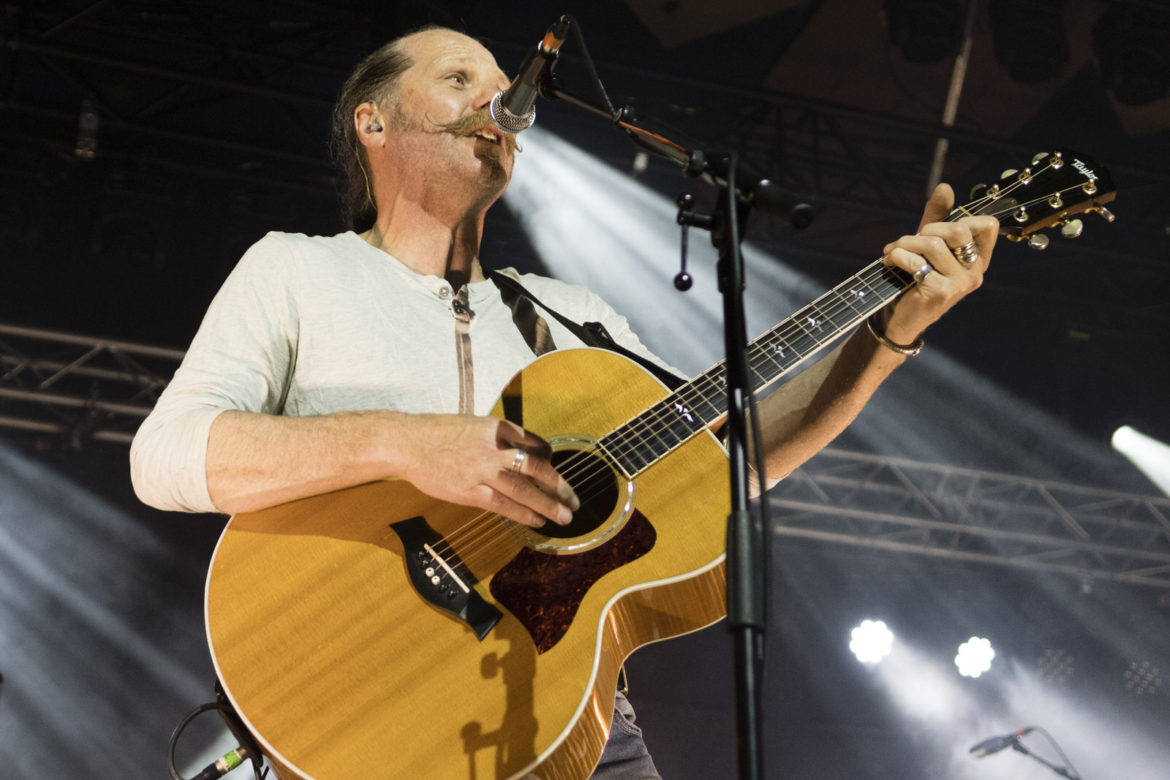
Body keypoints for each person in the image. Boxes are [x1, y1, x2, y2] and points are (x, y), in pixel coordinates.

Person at [130, 25, 997, 780]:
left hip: (567, 715)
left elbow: (731, 464)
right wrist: (405, 442)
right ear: (374, 120)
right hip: (354, 708)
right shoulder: (297, 269)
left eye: (502, 86)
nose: (497, 97)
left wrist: (887, 334)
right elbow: (165, 456)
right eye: (459, 78)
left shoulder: (572, 316)